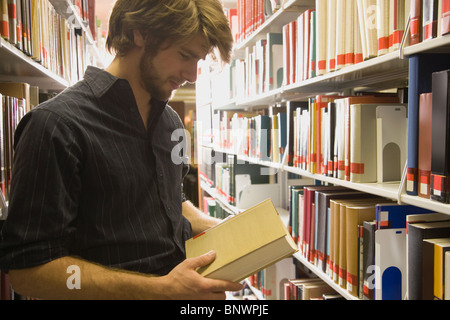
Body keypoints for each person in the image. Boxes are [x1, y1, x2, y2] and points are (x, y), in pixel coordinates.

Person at [0, 0, 243, 299]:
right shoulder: (54, 126)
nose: (193, 75)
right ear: (140, 33)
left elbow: (172, 203)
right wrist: (161, 290)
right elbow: (29, 272)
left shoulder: (172, 123)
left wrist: (232, 230)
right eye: (184, 55)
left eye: (199, 60)